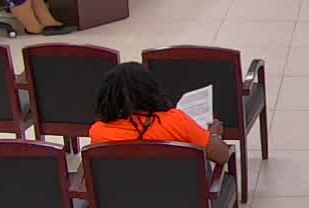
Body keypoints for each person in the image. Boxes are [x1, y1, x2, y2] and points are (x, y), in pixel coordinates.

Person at [89, 62, 234, 166]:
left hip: (124, 198)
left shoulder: (98, 133)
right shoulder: (176, 121)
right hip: (181, 197)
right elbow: (222, 156)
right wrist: (214, 135)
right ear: (151, 90)